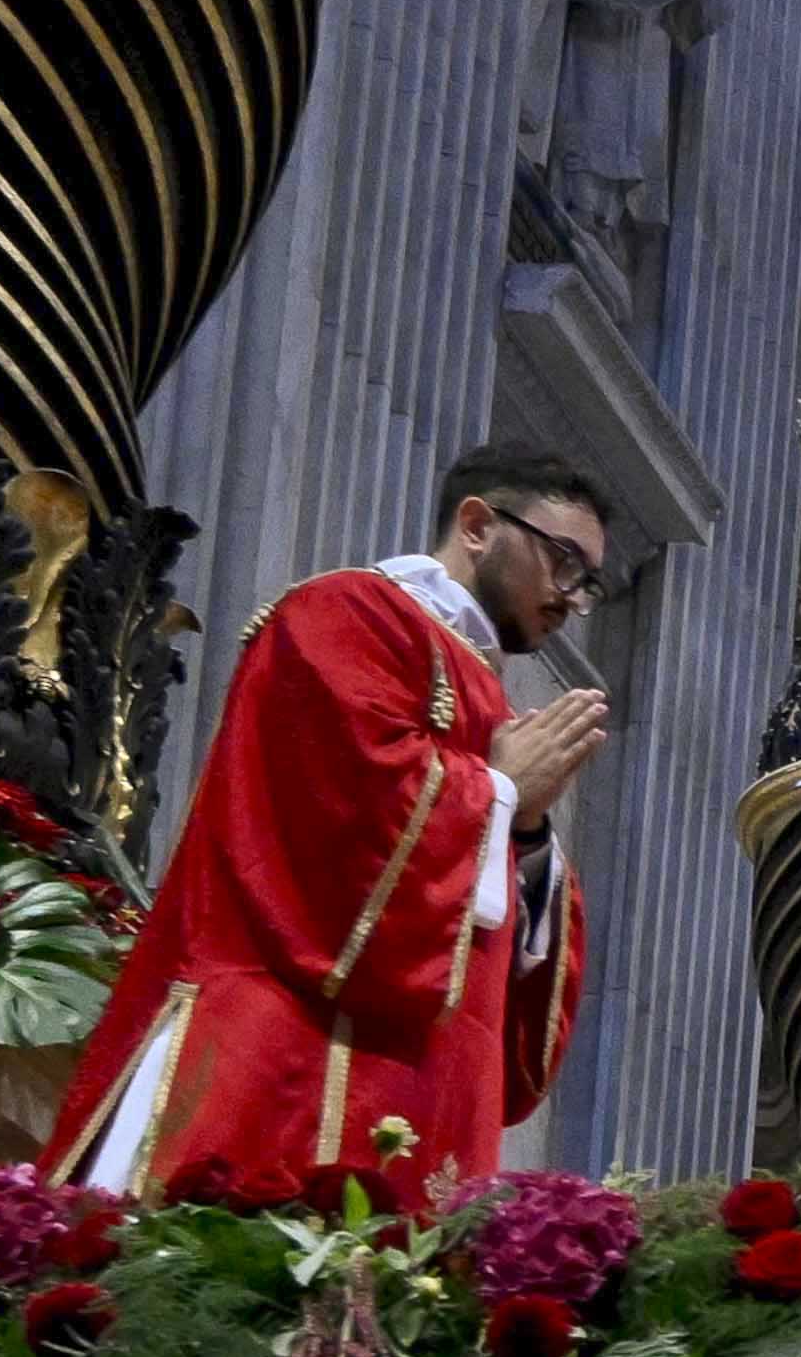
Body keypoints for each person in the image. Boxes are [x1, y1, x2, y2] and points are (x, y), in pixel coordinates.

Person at [46, 440, 613, 1200]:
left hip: (420, 1084)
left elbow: (506, 974)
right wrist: (500, 790)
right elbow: (340, 814)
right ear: (477, 524)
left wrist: (530, 830)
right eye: (563, 562)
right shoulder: (351, 612)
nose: (572, 598)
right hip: (292, 1052)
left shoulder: (493, 701)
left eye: (588, 584)